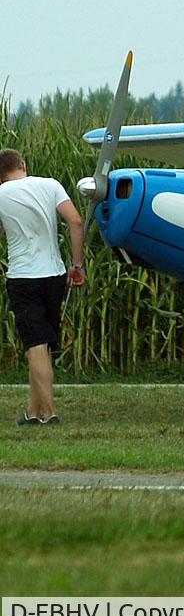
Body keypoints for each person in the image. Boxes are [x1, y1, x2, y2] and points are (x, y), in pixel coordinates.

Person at [0, 149, 85, 426]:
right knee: (42, 344)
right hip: (54, 274)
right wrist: (77, 265)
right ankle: (32, 412)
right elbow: (75, 221)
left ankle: (50, 413)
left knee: (35, 344)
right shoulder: (50, 185)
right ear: (22, 165)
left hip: (23, 276)